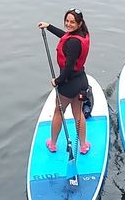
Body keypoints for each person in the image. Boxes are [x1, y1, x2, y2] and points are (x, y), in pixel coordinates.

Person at [39, 10, 92, 154]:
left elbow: (68, 68)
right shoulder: (82, 35)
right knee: (78, 113)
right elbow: (65, 36)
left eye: (72, 22)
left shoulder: (73, 43)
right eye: (67, 21)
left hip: (69, 84)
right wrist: (49, 27)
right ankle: (83, 145)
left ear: (79, 23)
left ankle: (53, 144)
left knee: (58, 112)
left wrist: (57, 81)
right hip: (81, 81)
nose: (68, 24)